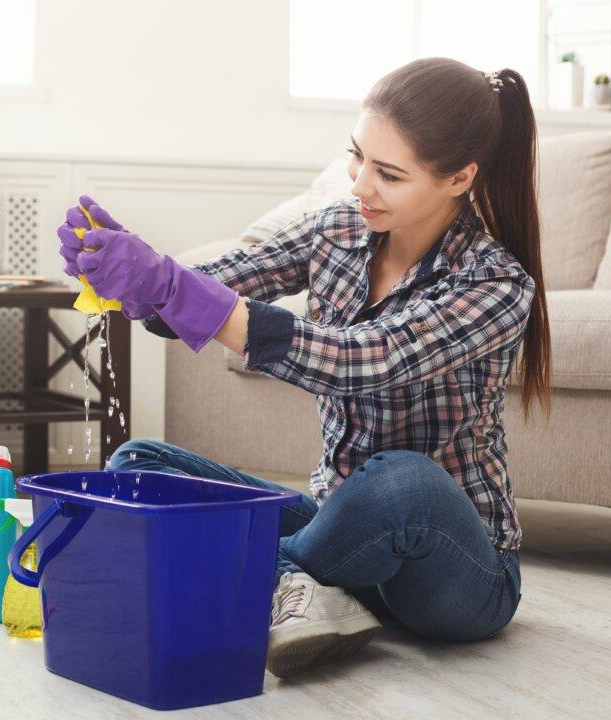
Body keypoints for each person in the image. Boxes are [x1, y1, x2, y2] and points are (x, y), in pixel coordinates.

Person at [56, 57, 551, 679]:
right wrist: (146, 278)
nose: (360, 185)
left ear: (458, 179)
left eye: (389, 175)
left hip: (453, 570)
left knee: (403, 480)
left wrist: (178, 293)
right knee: (140, 463)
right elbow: (227, 281)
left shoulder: (494, 285)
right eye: (357, 157)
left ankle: (249, 580)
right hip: (342, 533)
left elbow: (360, 362)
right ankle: (301, 590)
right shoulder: (339, 230)